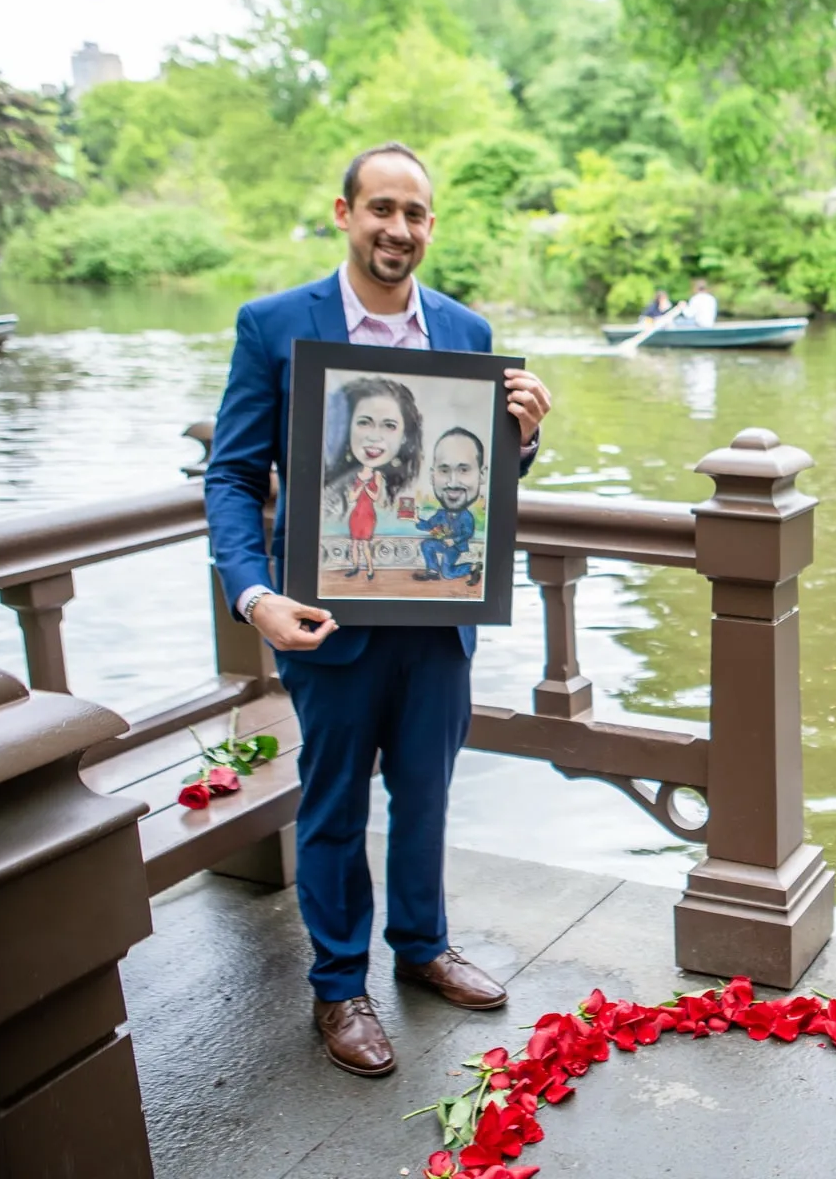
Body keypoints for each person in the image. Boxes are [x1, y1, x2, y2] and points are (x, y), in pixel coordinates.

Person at [203, 142, 553, 1078]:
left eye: (416, 214)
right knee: (332, 804)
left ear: (431, 226)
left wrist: (521, 441)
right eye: (381, 209)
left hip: (438, 617)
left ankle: (423, 945)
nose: (398, 228)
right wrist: (254, 594)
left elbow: (479, 480)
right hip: (323, 621)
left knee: (430, 795)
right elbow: (234, 474)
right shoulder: (275, 326)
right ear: (344, 213)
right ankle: (338, 985)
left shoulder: (466, 334)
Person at [322, 377, 423, 583]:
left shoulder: (391, 484)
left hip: (367, 516)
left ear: (405, 435)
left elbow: (378, 499)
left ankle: (368, 569)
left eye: (389, 426)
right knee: (355, 545)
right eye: (364, 423)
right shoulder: (332, 490)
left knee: (364, 545)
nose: (375, 436)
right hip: (356, 516)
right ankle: (356, 568)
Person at [415, 428, 485, 586]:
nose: (452, 482)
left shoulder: (466, 516)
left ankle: (472, 567)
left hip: (454, 547)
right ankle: (432, 571)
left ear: (482, 475)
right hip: (443, 542)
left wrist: (453, 541)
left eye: (464, 470)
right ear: (432, 476)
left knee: (447, 573)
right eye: (444, 470)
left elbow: (468, 532)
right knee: (427, 544)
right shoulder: (441, 513)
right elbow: (429, 525)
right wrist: (416, 519)